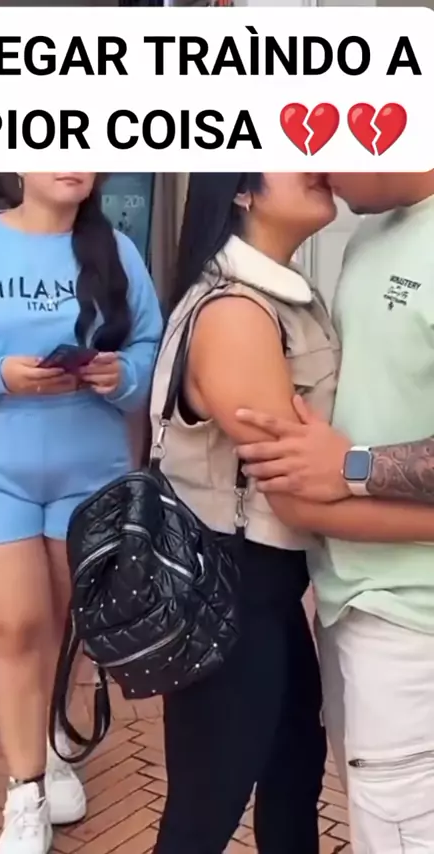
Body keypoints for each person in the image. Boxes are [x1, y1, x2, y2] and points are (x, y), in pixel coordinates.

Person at [0, 172, 163, 854]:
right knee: (17, 625)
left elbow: (151, 348)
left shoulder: (117, 251)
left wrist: (120, 375)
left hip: (88, 477)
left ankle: (55, 739)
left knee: (67, 625)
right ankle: (25, 793)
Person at [235, 171, 434, 853]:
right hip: (353, 604)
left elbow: (324, 472)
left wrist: (353, 467)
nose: (316, 165)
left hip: (414, 622)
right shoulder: (370, 235)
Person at [148, 171, 340, 854]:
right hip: (231, 591)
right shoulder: (236, 312)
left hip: (266, 593)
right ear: (241, 190)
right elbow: (296, 488)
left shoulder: (285, 296)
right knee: (206, 811)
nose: (319, 164)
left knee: (292, 778)